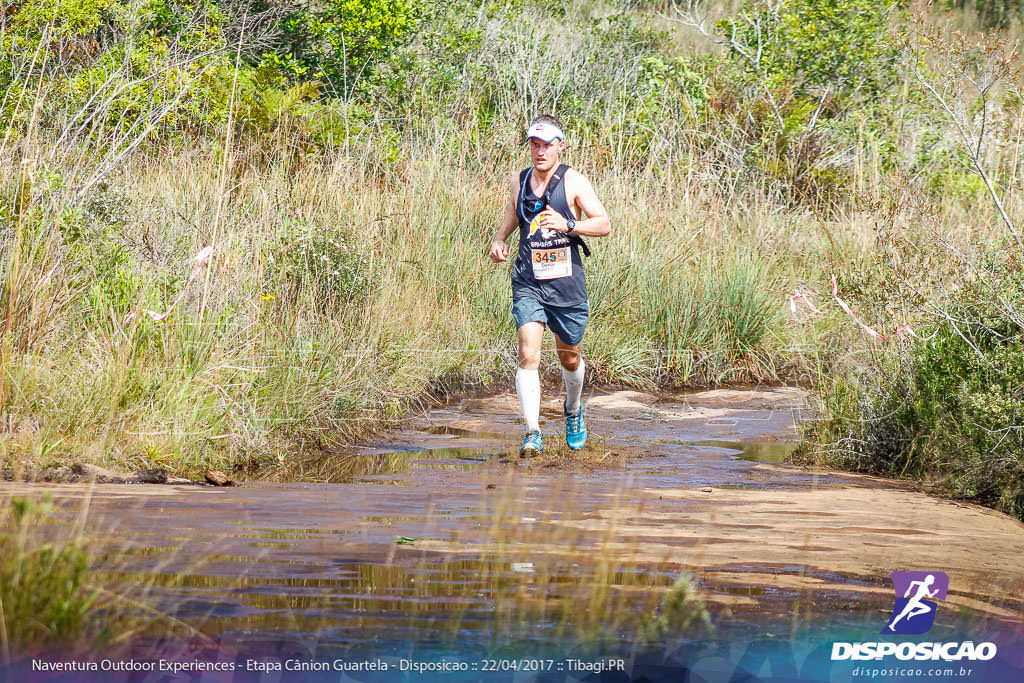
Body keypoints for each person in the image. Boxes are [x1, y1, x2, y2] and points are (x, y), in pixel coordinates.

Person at [488, 114, 611, 455]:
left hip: (566, 284)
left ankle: (573, 410)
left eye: (546, 145)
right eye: (534, 144)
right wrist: (500, 238)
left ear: (560, 145)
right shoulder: (520, 179)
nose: (540, 151)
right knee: (528, 353)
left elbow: (603, 224)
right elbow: (515, 212)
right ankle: (532, 433)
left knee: (569, 358)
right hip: (528, 279)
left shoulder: (573, 181)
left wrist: (569, 224)